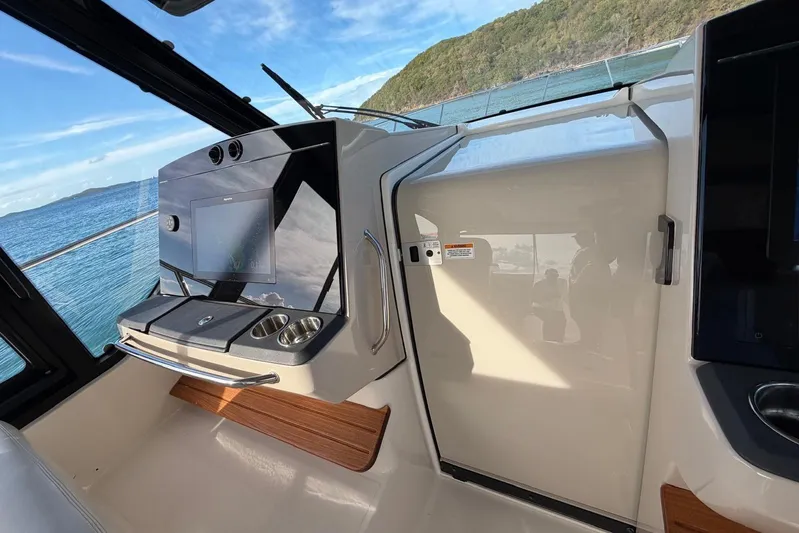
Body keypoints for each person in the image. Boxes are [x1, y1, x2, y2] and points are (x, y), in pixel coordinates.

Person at [568, 230, 611, 350]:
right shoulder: (582, 251)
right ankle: (586, 340)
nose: (577, 240)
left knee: (589, 317)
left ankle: (591, 343)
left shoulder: (593, 251)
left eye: (579, 237)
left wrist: (579, 283)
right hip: (580, 290)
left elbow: (591, 270)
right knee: (580, 316)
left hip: (588, 292)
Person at [531, 268, 566, 342]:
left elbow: (564, 296)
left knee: (561, 320)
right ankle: (548, 340)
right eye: (551, 276)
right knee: (550, 320)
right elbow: (533, 298)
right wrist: (545, 300)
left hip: (556, 309)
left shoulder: (561, 283)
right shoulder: (539, 285)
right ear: (546, 276)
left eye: (555, 276)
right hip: (542, 308)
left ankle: (558, 340)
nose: (553, 278)